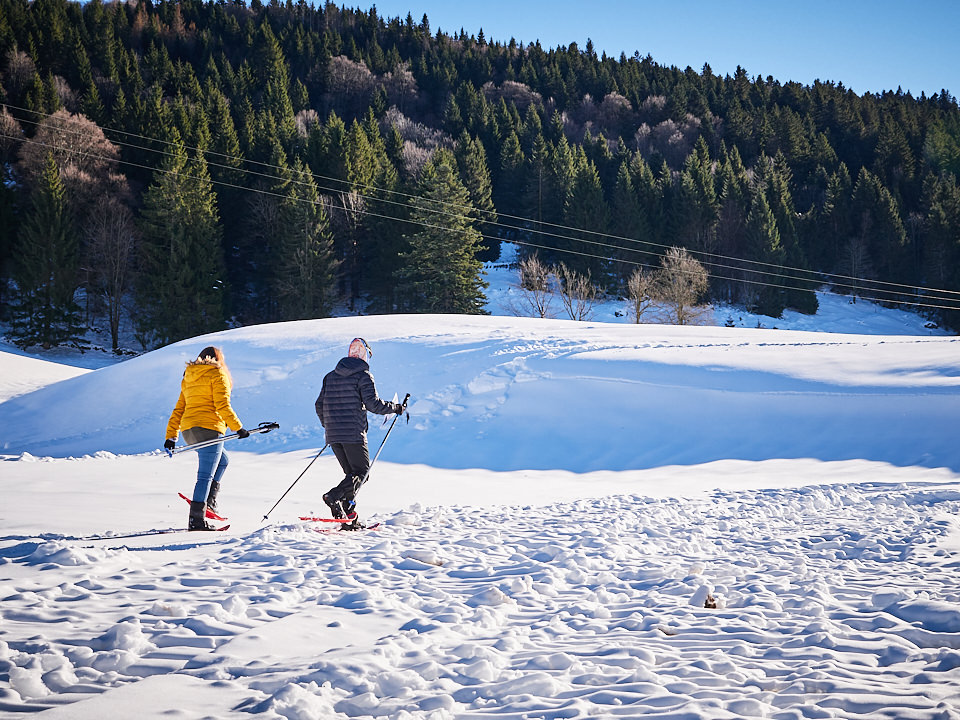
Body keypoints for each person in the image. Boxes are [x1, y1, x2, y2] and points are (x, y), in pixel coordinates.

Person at [315, 337, 403, 529]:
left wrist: (328, 425)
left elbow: (319, 404)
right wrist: (395, 408)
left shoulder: (330, 376)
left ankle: (347, 519)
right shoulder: (363, 375)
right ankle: (334, 496)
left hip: (333, 435)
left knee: (352, 476)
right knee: (362, 473)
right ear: (366, 356)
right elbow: (373, 404)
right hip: (353, 433)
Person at [164, 346, 249, 530]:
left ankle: (209, 500)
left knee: (223, 460)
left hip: (189, 431)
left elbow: (179, 408)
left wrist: (171, 436)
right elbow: (222, 405)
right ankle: (196, 520)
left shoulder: (189, 375)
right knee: (204, 476)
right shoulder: (217, 374)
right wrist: (238, 428)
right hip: (209, 429)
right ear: (219, 359)